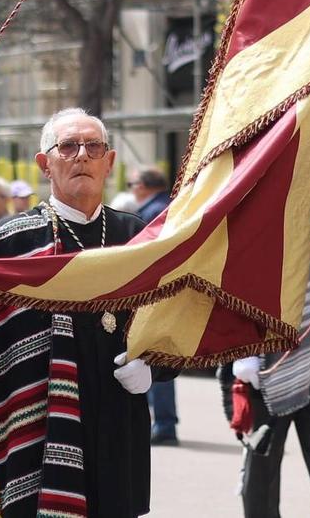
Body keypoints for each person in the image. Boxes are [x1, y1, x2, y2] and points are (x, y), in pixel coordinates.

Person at [0, 108, 166, 518]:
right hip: (30, 450)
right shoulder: (9, 244)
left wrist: (159, 365)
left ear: (109, 162)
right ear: (45, 164)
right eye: (68, 146)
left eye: (94, 147)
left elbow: (177, 321)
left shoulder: (139, 239)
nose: (82, 155)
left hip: (117, 446)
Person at [224, 192, 310, 518]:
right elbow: (226, 280)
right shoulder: (247, 208)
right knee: (259, 476)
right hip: (262, 368)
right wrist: (241, 348)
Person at [129, 165, 179, 444]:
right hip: (171, 294)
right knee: (163, 361)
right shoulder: (173, 206)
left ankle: (163, 424)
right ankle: (166, 422)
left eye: (131, 182)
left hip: (152, 296)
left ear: (142, 186)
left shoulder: (148, 214)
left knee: (152, 361)